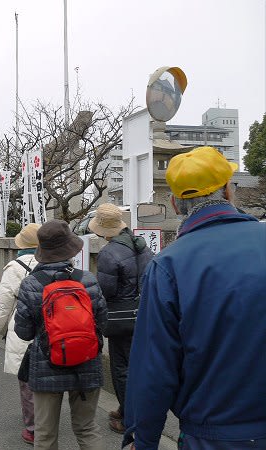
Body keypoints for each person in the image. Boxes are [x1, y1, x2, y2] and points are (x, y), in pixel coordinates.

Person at [123, 146, 266, 449]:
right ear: (229, 191)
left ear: (176, 205)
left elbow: (154, 368)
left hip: (214, 435)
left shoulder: (168, 266)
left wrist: (143, 439)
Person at [14, 220, 107, 450]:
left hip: (47, 366)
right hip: (87, 363)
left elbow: (23, 332)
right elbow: (103, 324)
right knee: (87, 428)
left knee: (45, 434)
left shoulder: (31, 283)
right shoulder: (88, 280)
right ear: (70, 249)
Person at [87, 203, 153, 434]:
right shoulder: (142, 247)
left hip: (120, 318)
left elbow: (106, 290)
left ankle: (128, 418)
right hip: (145, 314)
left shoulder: (109, 252)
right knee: (142, 366)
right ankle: (135, 412)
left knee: (122, 368)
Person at [0, 223, 41, 445]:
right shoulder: (60, 262)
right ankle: (48, 421)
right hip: (54, 326)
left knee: (26, 378)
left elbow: (2, 307)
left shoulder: (15, 268)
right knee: (50, 375)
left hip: (25, 328)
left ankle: (33, 428)